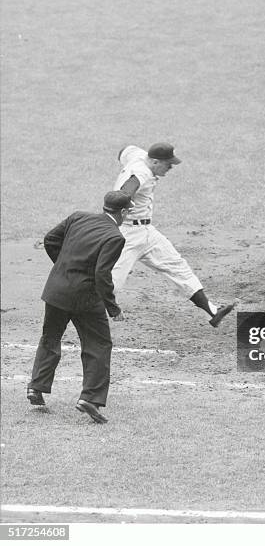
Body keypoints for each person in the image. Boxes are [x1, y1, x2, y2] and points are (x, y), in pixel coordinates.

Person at [27, 191, 133, 424]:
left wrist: (64, 267)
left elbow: (50, 240)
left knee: (50, 337)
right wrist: (113, 308)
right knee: (98, 343)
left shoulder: (78, 217)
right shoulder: (115, 237)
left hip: (56, 290)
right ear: (123, 212)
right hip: (84, 298)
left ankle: (36, 387)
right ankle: (90, 399)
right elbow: (101, 275)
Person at [110, 142, 234, 327]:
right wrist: (125, 203)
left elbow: (124, 150)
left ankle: (212, 312)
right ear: (154, 162)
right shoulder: (141, 174)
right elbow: (123, 193)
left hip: (147, 233)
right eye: (168, 164)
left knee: (177, 265)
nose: (170, 168)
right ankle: (81, 314)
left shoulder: (139, 156)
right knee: (113, 282)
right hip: (126, 235)